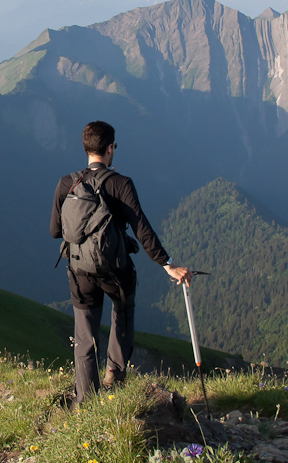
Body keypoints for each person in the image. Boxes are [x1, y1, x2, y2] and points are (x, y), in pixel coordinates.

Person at [50, 120, 192, 406]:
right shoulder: (121, 184)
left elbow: (55, 231)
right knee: (123, 312)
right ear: (110, 148)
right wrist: (168, 264)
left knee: (85, 334)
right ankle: (114, 371)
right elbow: (142, 229)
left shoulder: (67, 183)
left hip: (79, 271)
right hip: (115, 269)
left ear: (87, 148)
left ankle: (85, 403)